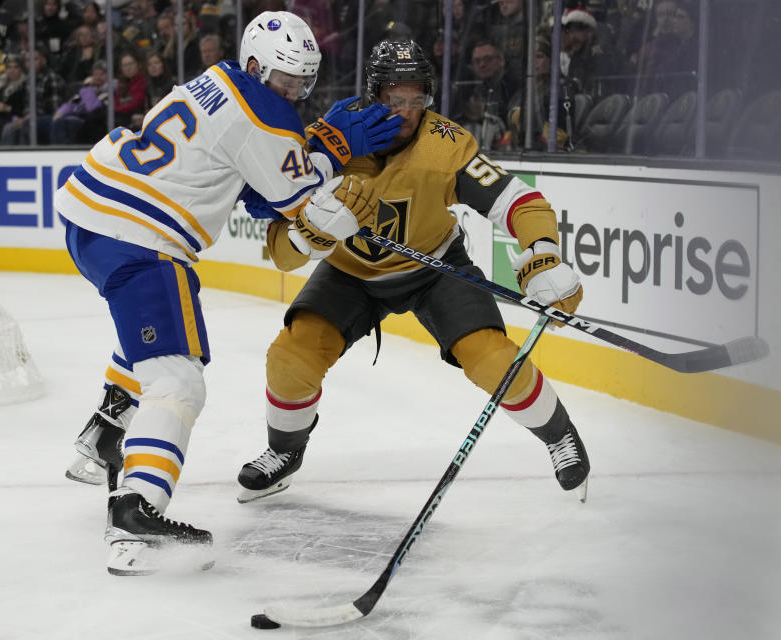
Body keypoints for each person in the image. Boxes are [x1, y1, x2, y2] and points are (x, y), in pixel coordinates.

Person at [56, 11, 399, 576]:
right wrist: (332, 154)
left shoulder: (215, 80)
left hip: (89, 215)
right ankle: (136, 511)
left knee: (160, 329)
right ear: (258, 65)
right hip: (140, 237)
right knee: (178, 378)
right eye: (288, 79)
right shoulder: (267, 116)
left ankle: (109, 423)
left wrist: (309, 153)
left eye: (305, 81)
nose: (296, 91)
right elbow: (303, 210)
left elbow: (247, 178)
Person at [235, 40, 590, 505]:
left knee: (493, 359)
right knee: (290, 357)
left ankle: (559, 435)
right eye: (393, 100)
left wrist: (543, 251)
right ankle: (284, 452)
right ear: (372, 94)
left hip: (434, 266)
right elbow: (283, 253)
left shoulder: (445, 143)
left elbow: (517, 200)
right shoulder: (325, 146)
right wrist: (310, 234)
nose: (405, 112)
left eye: (415, 100)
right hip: (349, 274)